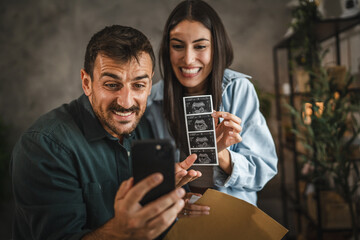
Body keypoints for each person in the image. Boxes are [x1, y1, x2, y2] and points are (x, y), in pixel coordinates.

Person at [11, 25, 202, 240]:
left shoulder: (148, 126)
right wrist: (120, 232)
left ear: (149, 85)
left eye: (138, 85)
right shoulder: (44, 146)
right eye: (112, 85)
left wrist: (164, 199)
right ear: (87, 83)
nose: (126, 102)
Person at [145, 0, 278, 208]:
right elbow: (147, 176)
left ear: (217, 48)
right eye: (178, 46)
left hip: (233, 220)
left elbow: (264, 169)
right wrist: (173, 194)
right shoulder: (152, 101)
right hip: (177, 222)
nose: (188, 59)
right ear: (166, 49)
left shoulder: (238, 90)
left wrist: (221, 154)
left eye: (200, 46)